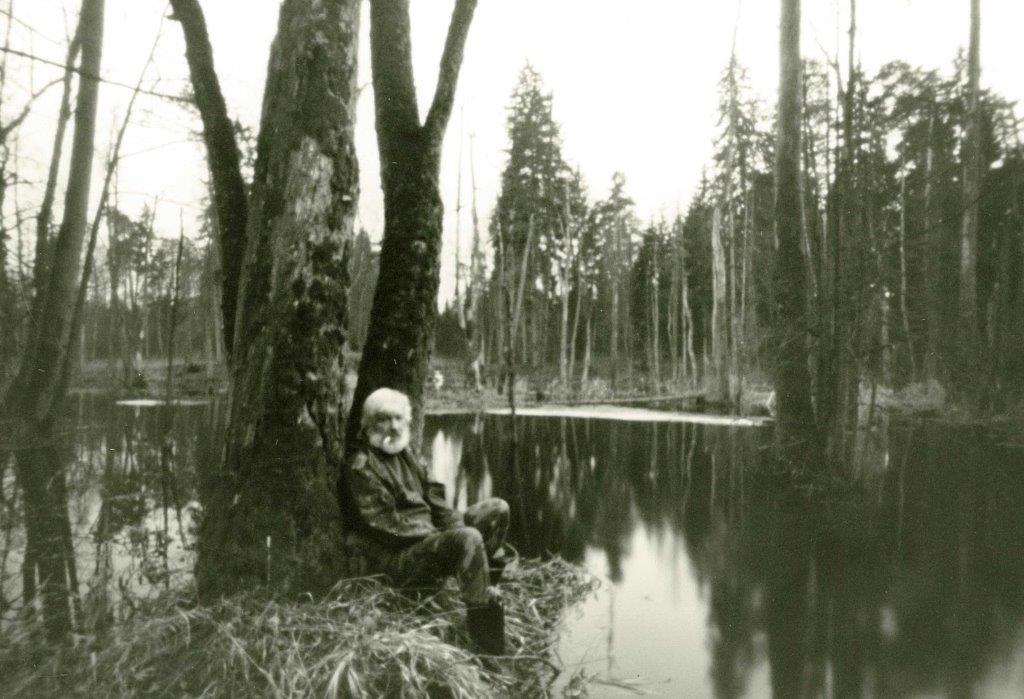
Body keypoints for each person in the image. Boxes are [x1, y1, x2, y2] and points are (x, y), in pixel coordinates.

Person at [342, 387, 510, 655]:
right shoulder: (361, 465)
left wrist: (455, 528)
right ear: (369, 423)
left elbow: (437, 502)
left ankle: (483, 586)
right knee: (468, 538)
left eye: (399, 418)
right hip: (398, 558)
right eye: (384, 419)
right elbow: (386, 526)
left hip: (428, 539)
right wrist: (445, 537)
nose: (393, 426)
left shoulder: (406, 454)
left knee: (497, 510)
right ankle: (486, 646)